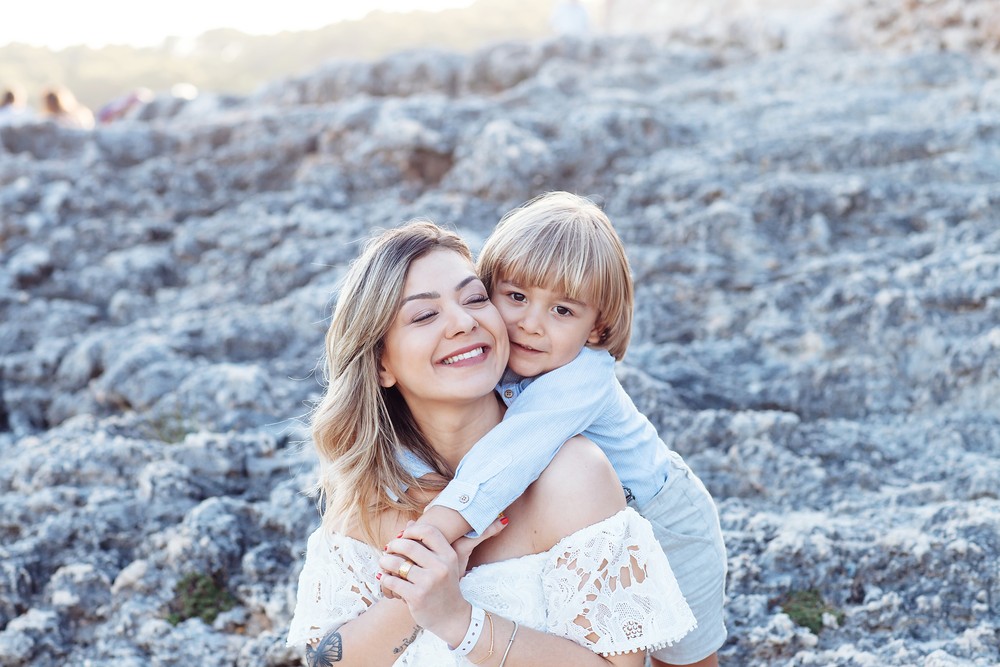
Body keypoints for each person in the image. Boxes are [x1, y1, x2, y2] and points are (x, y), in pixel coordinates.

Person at [287, 220, 696, 665]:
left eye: (476, 299)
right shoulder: (368, 495)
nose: (464, 322)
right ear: (381, 364)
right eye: (425, 315)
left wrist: (458, 621)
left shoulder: (575, 475)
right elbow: (327, 661)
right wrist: (417, 594)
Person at [395, 193, 728, 667]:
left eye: (563, 311)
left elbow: (514, 449)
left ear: (597, 328)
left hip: (669, 521)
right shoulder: (498, 358)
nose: (531, 325)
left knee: (684, 655)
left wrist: (434, 528)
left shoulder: (581, 377)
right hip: (592, 517)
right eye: (516, 297)